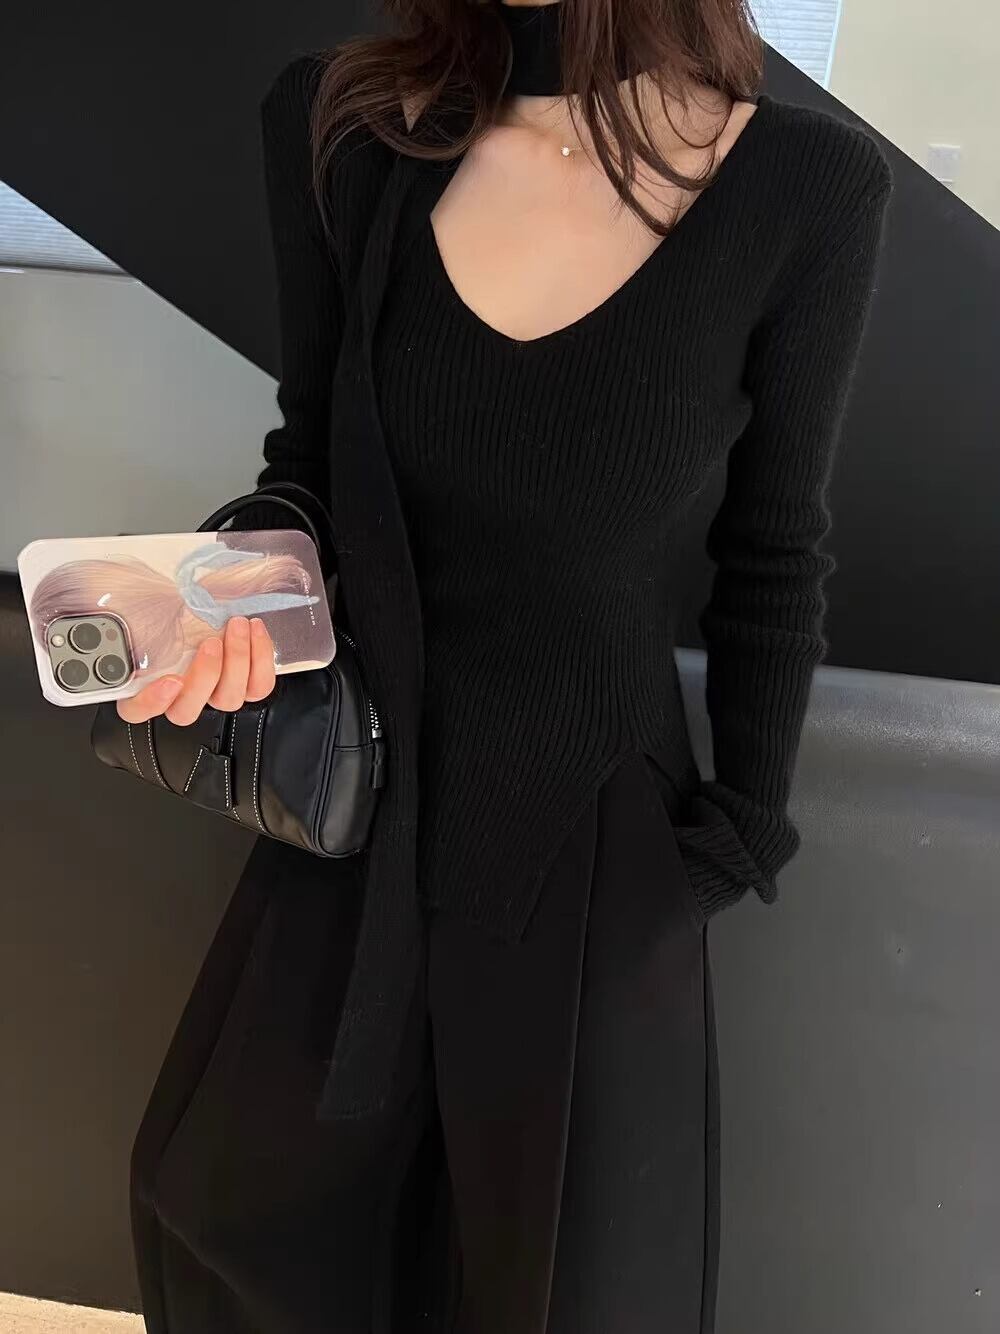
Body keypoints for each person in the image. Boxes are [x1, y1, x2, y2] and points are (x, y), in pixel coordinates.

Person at [123, 1, 893, 1330]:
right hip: (357, 816)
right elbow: (308, 459)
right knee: (236, 1232)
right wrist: (233, 597)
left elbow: (775, 549)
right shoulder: (347, 131)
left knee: (556, 1292)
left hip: (594, 847)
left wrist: (741, 833)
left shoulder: (804, 186)